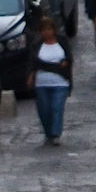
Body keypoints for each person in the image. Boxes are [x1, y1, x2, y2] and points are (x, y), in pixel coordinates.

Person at [32, 11, 73, 144]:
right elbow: (32, 63)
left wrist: (65, 63)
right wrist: (30, 77)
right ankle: (48, 132)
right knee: (44, 110)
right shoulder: (37, 45)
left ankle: (55, 133)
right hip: (41, 84)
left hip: (60, 83)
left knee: (57, 107)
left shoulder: (62, 42)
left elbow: (69, 58)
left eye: (49, 29)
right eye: (44, 30)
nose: (47, 32)